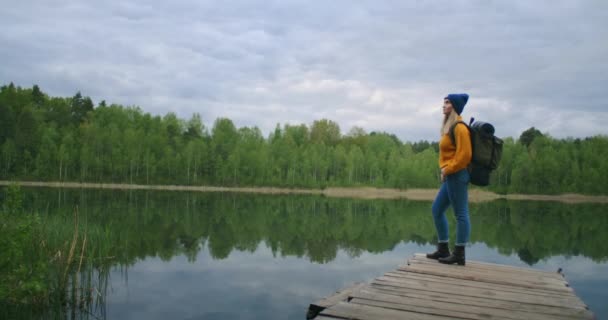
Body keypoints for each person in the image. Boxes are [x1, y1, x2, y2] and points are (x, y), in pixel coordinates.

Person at [426, 93, 472, 265]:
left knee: (461, 214)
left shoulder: (460, 127)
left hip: (458, 175)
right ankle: (443, 248)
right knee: (437, 209)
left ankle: (459, 253)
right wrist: (444, 170)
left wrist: (448, 169)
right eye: (443, 102)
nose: (443, 105)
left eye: (447, 103)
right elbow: (449, 154)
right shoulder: (449, 127)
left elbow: (465, 156)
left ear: (454, 106)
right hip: (450, 175)